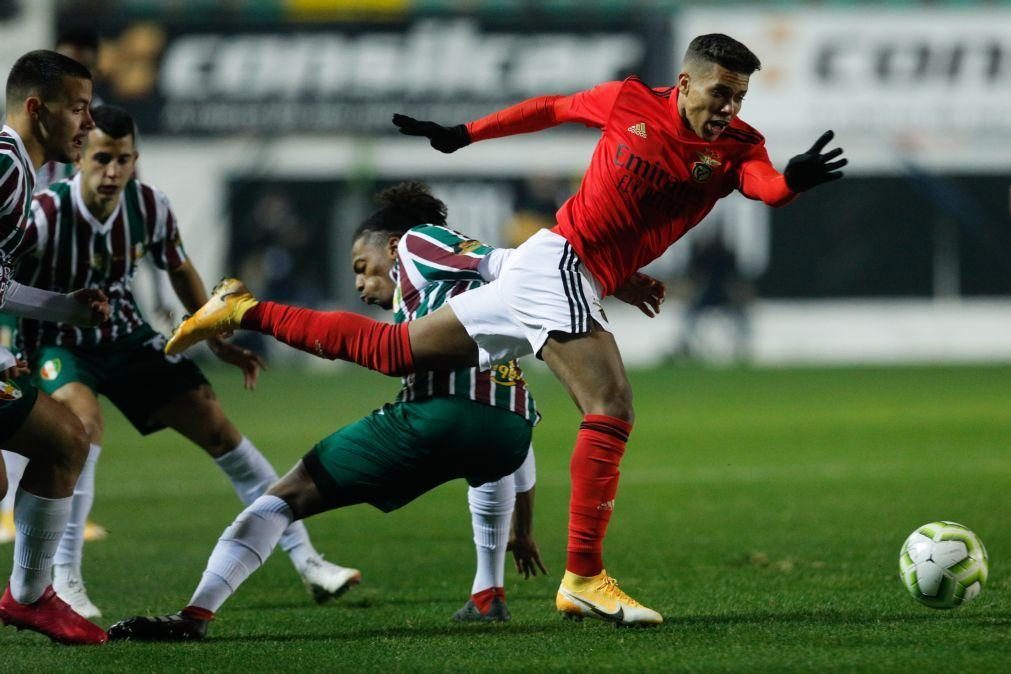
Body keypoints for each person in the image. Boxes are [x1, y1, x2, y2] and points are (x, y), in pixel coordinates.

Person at [165, 33, 845, 626]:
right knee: (609, 407)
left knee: (396, 350)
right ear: (686, 81)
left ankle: (240, 310)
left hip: (553, 269)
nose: (728, 106)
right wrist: (465, 135)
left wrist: (792, 181)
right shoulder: (629, 102)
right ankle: (582, 579)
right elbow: (549, 108)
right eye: (719, 92)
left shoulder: (737, 147)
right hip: (562, 263)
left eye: (739, 96)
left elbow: (763, 186)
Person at [107, 182, 546, 640]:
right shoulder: (466, 300)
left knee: (285, 496)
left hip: (441, 416)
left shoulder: (417, 242)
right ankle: (487, 592)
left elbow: (498, 259)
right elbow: (509, 449)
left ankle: (194, 615)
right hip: (510, 430)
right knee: (480, 447)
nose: (360, 283)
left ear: (392, 248)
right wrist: (525, 527)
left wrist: (544, 266)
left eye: (363, 267)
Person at [12, 104, 359, 620]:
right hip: (58, 343)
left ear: (135, 160)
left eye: (124, 160)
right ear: (80, 155)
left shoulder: (149, 206)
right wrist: (9, 350)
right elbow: (6, 276)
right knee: (81, 427)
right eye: (103, 158)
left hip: (127, 338)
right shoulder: (43, 213)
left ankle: (308, 560)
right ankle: (66, 580)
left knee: (218, 428)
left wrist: (212, 332)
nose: (113, 172)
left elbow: (178, 266)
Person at [0, 49, 110, 645]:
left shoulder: (23, 170)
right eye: (78, 109)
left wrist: (65, 307)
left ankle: (29, 596)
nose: (87, 124)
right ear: (38, 109)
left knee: (52, 445)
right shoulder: (5, 165)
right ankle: (30, 597)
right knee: (66, 438)